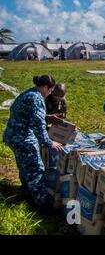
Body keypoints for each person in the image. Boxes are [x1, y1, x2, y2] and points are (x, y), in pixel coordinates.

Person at [3, 75, 63, 211]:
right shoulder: (37, 98)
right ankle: (42, 204)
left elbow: (28, 114)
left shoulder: (29, 93)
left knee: (24, 166)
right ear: (45, 87)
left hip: (13, 136)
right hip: (23, 138)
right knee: (36, 168)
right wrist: (48, 142)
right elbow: (37, 123)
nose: (49, 94)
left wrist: (48, 117)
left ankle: (26, 191)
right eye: (50, 90)